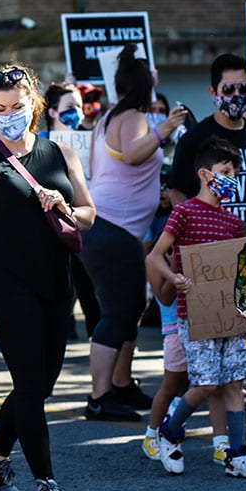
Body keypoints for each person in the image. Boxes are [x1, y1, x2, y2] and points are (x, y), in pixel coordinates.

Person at [0, 64, 95, 491]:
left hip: (57, 285)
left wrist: (66, 207)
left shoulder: (61, 154)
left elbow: (90, 215)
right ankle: (47, 486)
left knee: (40, 383)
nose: (9, 115)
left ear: (34, 105)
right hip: (6, 288)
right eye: (0, 109)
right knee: (30, 387)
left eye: (17, 106)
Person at [81, 47, 187, 422]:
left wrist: (153, 196)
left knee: (130, 309)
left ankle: (120, 384)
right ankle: (99, 396)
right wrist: (167, 127)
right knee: (117, 312)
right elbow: (132, 156)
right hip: (113, 229)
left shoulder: (111, 115)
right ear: (145, 85)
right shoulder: (133, 118)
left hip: (112, 228)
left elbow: (116, 170)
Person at [144, 137, 246, 477]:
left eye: (234, 172)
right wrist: (173, 278)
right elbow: (155, 254)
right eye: (224, 171)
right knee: (206, 383)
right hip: (194, 315)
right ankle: (170, 432)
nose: (230, 178)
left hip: (230, 316)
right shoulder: (184, 212)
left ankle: (237, 455)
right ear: (205, 174)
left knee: (234, 383)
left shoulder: (233, 223)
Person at [169, 53, 246, 228]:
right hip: (211, 242)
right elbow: (177, 192)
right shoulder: (194, 138)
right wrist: (196, 227)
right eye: (229, 89)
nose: (237, 95)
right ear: (213, 92)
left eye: (243, 89)